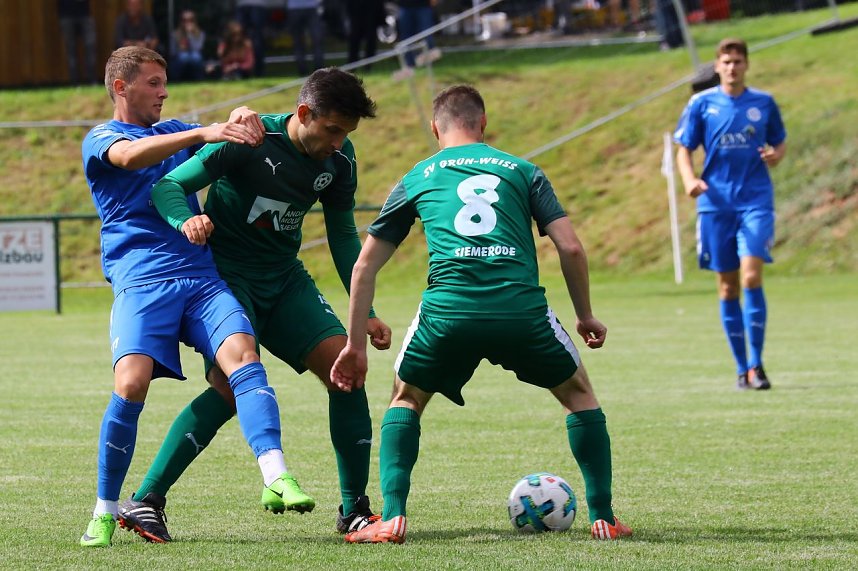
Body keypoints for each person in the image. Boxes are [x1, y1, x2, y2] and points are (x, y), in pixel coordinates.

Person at [331, 84, 632, 544]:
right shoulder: (523, 170)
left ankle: (391, 519)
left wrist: (354, 344)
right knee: (579, 395)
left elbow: (364, 266)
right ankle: (605, 519)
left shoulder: (417, 175)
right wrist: (585, 315)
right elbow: (570, 246)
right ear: (483, 124)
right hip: (520, 312)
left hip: (447, 315)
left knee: (405, 399)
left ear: (436, 128)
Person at [115, 67, 392, 544]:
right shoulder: (247, 137)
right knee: (228, 388)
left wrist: (363, 310)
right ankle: (147, 500)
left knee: (347, 374)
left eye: (347, 133)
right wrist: (187, 221)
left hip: (285, 281)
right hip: (225, 280)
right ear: (304, 113)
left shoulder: (340, 160)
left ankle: (355, 510)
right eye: (332, 130)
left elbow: (344, 236)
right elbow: (167, 187)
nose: (338, 142)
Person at [79, 46, 313, 547]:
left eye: (165, 82)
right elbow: (130, 156)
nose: (164, 92)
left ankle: (277, 476)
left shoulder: (176, 132)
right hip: (143, 282)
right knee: (131, 384)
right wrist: (205, 131)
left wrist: (238, 118)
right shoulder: (103, 138)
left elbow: (219, 148)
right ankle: (104, 509)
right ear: (121, 87)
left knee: (243, 359)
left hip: (202, 278)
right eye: (153, 83)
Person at [674, 38, 787, 391]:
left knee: (751, 276)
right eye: (726, 61)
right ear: (717, 66)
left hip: (755, 201)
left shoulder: (763, 103)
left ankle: (757, 365)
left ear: (746, 65)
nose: (732, 67)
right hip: (715, 205)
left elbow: (779, 141)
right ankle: (741, 368)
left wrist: (776, 155)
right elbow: (683, 149)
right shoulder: (701, 104)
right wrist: (690, 179)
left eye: (738, 61)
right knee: (727, 286)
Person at [394, 0, 441, 79]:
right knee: (406, 37)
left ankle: (429, 58)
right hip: (405, 6)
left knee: (426, 33)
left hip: (423, 5)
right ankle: (408, 66)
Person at [58, 0, 97, 85]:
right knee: (70, 49)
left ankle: (92, 80)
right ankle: (74, 82)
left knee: (90, 46)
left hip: (85, 13)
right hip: (66, 14)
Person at [287, 0, 325, 76]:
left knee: (303, 42)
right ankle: (309, 71)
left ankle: (312, 71)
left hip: (299, 7)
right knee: (315, 41)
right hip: (304, 7)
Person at [345, 0, 385, 70]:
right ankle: (352, 66)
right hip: (356, 15)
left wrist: (380, 18)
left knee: (370, 42)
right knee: (354, 42)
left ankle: (368, 65)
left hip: (371, 14)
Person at [170, 10, 206, 82]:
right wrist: (180, 49)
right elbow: (172, 52)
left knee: (196, 56)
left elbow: (198, 48)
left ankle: (198, 79)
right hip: (179, 60)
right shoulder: (174, 34)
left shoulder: (200, 34)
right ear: (181, 22)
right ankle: (176, 80)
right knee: (183, 56)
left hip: (194, 57)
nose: (187, 23)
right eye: (185, 20)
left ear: (194, 22)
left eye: (190, 20)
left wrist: (190, 35)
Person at [236, 0, 268, 77]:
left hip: (250, 5)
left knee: (253, 40)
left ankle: (249, 71)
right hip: (253, 5)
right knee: (243, 39)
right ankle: (251, 71)